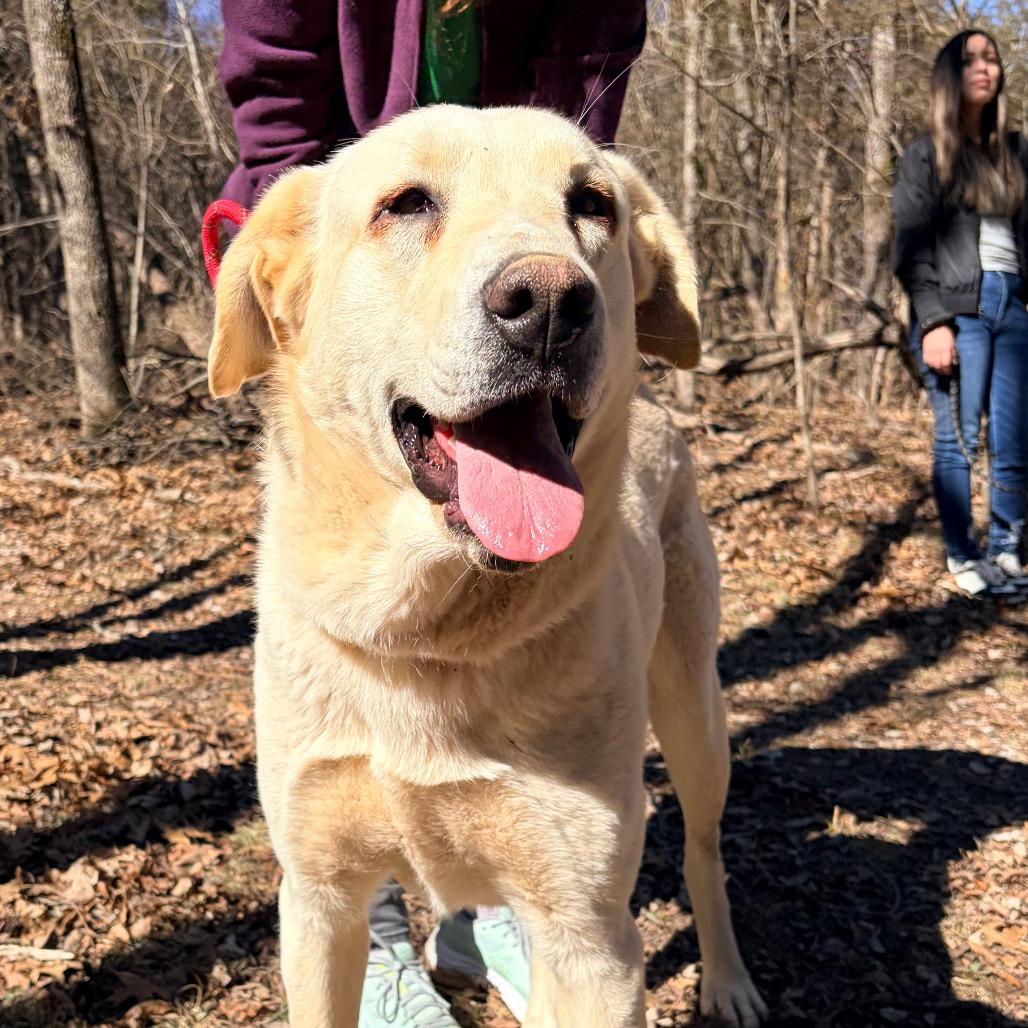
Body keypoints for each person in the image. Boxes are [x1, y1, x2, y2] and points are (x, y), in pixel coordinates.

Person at [216, 2, 646, 1024]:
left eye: (588, 210)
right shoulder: (310, 239)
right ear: (283, 288)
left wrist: (554, 185)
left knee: (582, 921)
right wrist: (300, 199)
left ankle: (508, 906)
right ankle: (379, 947)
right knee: (322, 888)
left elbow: (590, 52)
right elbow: (274, 71)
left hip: (564, 640)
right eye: (409, 205)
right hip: (326, 178)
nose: (549, 287)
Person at [893, 28, 1028, 598]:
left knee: (1014, 438)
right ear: (950, 76)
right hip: (956, 310)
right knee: (958, 440)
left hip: (1013, 306)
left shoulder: (1015, 153)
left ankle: (1007, 550)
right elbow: (909, 247)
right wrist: (933, 322)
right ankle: (962, 553)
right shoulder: (926, 154)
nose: (983, 67)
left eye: (990, 58)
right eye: (970, 59)